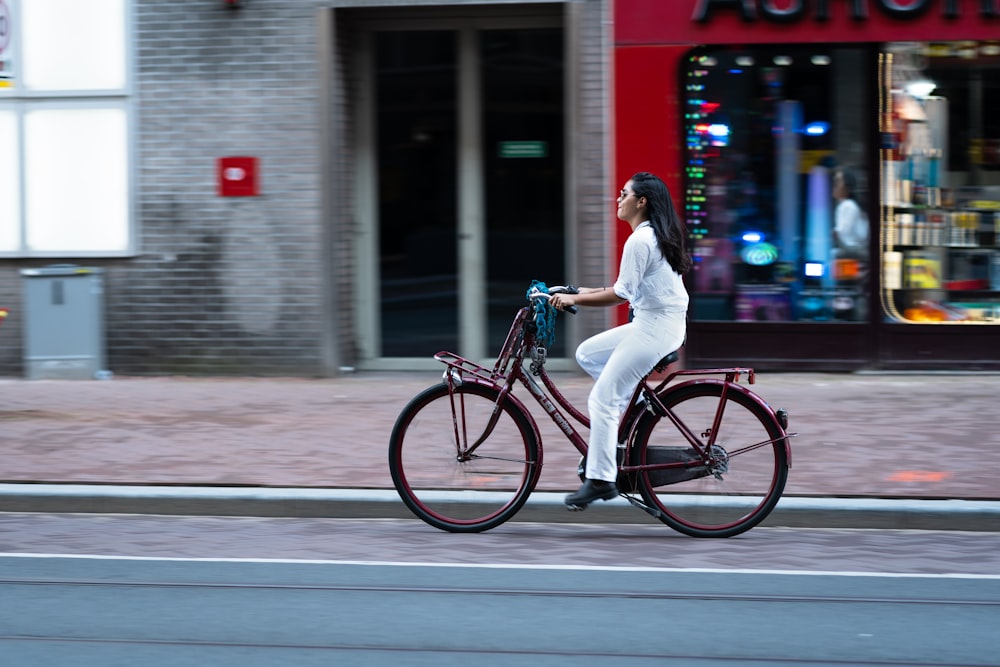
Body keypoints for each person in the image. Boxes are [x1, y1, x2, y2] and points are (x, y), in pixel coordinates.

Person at [549, 172, 691, 509]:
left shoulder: (641, 240)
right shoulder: (649, 236)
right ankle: (634, 406)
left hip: (656, 328)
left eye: (624, 193)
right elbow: (622, 289)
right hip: (653, 322)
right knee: (587, 353)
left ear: (641, 202)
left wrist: (574, 301)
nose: (618, 198)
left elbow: (620, 294)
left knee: (602, 399)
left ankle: (600, 480)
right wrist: (573, 291)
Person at [832, 167, 868, 260]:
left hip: (852, 254)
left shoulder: (848, 206)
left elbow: (842, 233)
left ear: (847, 187)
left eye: (837, 181)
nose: (834, 185)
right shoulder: (845, 205)